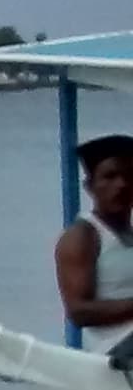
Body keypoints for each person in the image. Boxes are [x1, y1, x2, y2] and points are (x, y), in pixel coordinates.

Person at [55, 134, 133, 355]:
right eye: (109, 177)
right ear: (90, 186)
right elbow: (78, 312)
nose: (121, 185)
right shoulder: (83, 236)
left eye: (129, 176)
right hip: (117, 352)